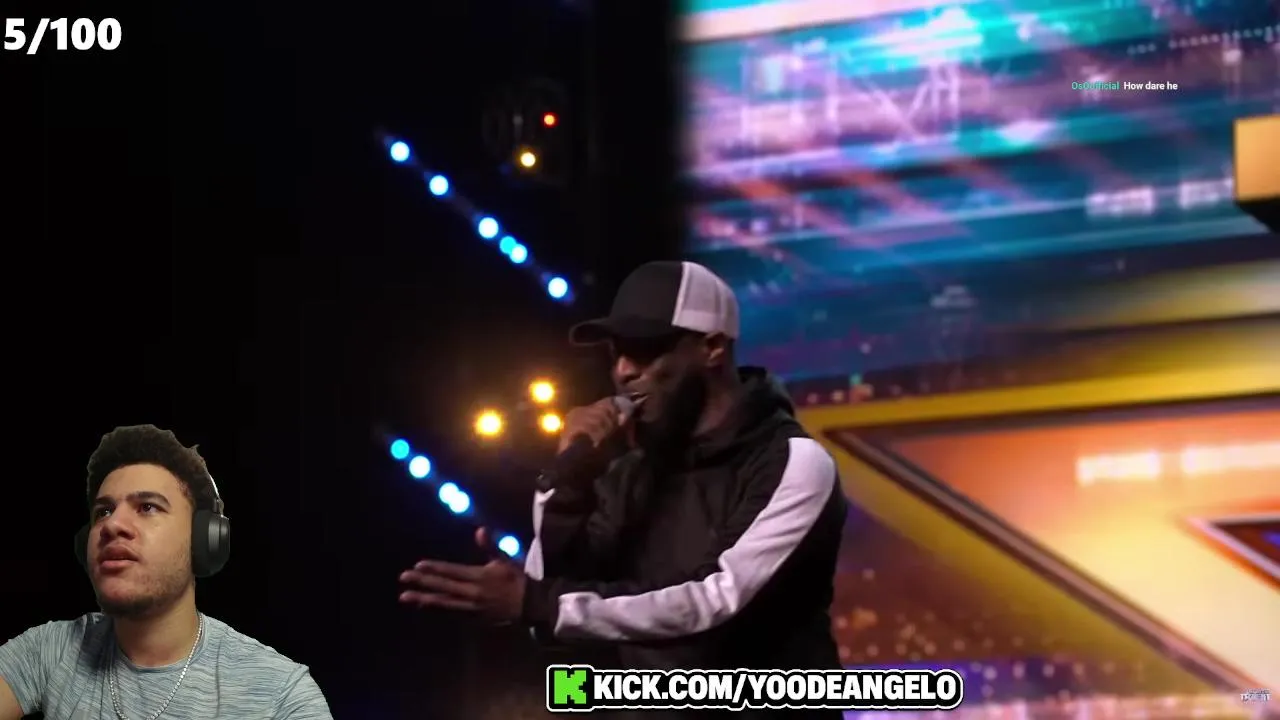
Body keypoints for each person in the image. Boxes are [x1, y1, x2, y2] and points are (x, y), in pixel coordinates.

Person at [399, 261, 846, 716]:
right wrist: (567, 485)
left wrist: (537, 602)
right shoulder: (628, 475)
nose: (623, 371)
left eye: (645, 351)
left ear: (712, 348)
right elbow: (566, 611)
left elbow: (718, 598)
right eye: (616, 354)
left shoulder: (792, 462)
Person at [0, 424, 333, 720]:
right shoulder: (50, 649)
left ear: (204, 541)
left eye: (147, 507)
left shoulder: (279, 695)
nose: (112, 525)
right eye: (104, 511)